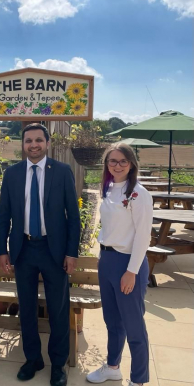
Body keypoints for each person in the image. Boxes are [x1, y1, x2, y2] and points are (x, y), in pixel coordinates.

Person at [0, 123, 81, 386]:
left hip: (53, 250)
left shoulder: (63, 171)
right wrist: (2, 251)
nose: (33, 145)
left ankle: (58, 364)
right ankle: (33, 359)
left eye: (38, 140)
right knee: (28, 308)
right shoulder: (12, 174)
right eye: (28, 141)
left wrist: (71, 252)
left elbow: (73, 217)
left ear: (47, 143)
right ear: (23, 144)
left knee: (58, 309)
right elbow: (4, 216)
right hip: (23, 249)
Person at [86, 143, 153, 386]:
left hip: (128, 263)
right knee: (112, 321)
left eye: (123, 161)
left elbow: (143, 237)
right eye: (112, 161)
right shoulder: (108, 188)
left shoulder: (138, 193)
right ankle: (113, 366)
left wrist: (131, 271)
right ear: (106, 164)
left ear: (132, 163)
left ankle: (139, 379)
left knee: (134, 325)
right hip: (108, 261)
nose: (117, 165)